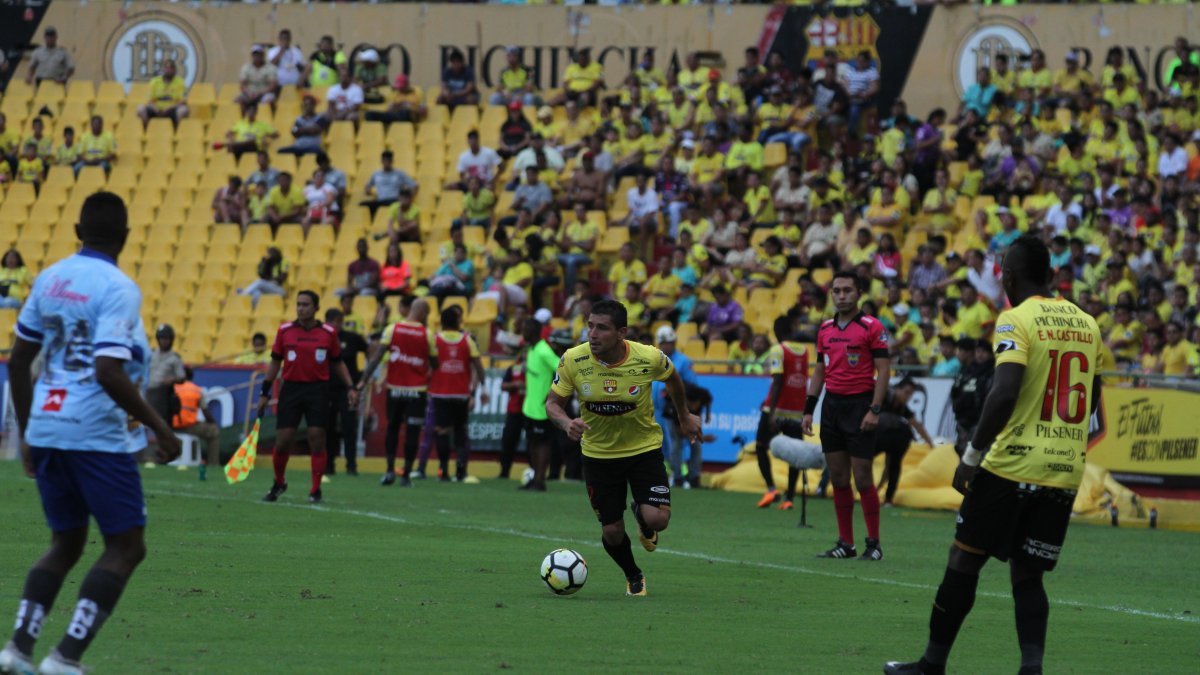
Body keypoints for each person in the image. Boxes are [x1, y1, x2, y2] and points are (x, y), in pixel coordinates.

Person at [885, 235, 1102, 675]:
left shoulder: (1014, 319)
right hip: (1063, 469)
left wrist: (971, 456)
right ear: (1051, 275)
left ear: (1007, 276)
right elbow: (1094, 399)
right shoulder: (1087, 324)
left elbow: (1003, 394)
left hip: (1012, 465)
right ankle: (1031, 669)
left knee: (964, 557)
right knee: (1028, 573)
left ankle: (932, 664)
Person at [0, 192, 180, 675]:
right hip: (94, 434)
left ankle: (17, 649)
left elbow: (18, 359)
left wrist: (29, 432)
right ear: (125, 236)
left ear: (77, 231)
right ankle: (65, 657)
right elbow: (107, 371)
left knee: (67, 543)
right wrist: (162, 427)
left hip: (50, 425)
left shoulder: (49, 278)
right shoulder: (118, 287)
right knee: (127, 546)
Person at [545, 300, 702, 597]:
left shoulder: (649, 358)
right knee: (612, 531)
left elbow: (674, 380)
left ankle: (643, 518)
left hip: (643, 448)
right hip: (598, 455)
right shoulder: (573, 360)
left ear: (622, 333)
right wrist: (566, 423)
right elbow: (552, 404)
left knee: (658, 519)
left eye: (601, 328)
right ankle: (633, 574)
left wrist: (684, 415)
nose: (592, 334)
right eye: (590, 325)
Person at [802, 271, 891, 561]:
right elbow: (819, 371)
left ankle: (874, 543)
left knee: (863, 477)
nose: (841, 295)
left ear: (859, 293)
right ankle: (846, 543)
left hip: (860, 405)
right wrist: (808, 409)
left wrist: (874, 409)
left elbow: (884, 371)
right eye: (836, 291)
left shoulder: (871, 327)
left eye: (847, 290)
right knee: (839, 478)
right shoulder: (825, 329)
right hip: (832, 408)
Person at [257, 291, 358, 504]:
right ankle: (279, 482)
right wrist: (264, 393)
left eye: (305, 305)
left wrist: (351, 386)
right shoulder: (285, 331)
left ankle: (315, 489)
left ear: (316, 308)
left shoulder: (328, 333)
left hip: (318, 390)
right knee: (283, 441)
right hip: (291, 389)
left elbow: (338, 362)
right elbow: (275, 362)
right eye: (298, 304)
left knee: (316, 439)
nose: (300, 308)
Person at [360, 297, 432, 486]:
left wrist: (363, 380)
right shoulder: (427, 334)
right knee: (413, 431)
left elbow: (376, 357)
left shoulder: (393, 329)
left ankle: (390, 470)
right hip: (417, 391)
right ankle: (406, 475)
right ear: (423, 313)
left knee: (392, 427)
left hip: (395, 388)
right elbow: (436, 362)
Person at [755, 316, 810, 509]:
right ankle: (789, 498)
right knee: (794, 454)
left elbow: (778, 380)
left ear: (777, 331)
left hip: (776, 410)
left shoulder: (778, 350)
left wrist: (772, 414)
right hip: (796, 411)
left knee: (761, 447)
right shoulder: (805, 351)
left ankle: (771, 489)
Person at [428, 306, 488, 482]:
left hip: (440, 393)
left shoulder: (435, 339)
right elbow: (478, 366)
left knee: (442, 431)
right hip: (461, 394)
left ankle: (443, 471)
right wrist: (483, 388)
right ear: (456, 322)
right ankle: (461, 472)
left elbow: (429, 364)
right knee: (461, 432)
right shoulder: (467, 340)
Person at [521, 322, 574, 492]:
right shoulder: (532, 349)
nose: (523, 331)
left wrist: (552, 393)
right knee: (533, 442)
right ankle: (535, 478)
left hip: (543, 409)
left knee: (543, 443)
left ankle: (539, 480)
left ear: (534, 331)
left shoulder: (544, 350)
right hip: (530, 407)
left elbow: (562, 367)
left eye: (526, 328)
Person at [873, 377, 934, 506]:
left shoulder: (902, 408)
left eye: (911, 394)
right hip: (877, 436)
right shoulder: (882, 398)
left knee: (894, 466)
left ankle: (887, 497)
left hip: (893, 439)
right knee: (862, 459)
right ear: (898, 389)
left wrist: (930, 443)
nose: (909, 397)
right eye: (907, 392)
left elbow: (917, 425)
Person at [323, 308, 367, 478]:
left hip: (348, 390)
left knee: (349, 427)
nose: (336, 325)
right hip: (327, 389)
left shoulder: (352, 338)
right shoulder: (322, 338)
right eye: (334, 321)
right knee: (328, 428)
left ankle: (351, 465)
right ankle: (328, 465)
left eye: (338, 321)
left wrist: (364, 377)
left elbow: (369, 350)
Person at [172, 368, 222, 482]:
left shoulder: (172, 388)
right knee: (213, 432)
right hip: (189, 427)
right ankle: (213, 464)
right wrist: (213, 423)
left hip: (171, 426)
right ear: (191, 377)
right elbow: (206, 413)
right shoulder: (196, 391)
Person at [951, 339, 994, 456]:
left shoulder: (993, 372)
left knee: (979, 456)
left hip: (980, 422)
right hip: (964, 421)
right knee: (962, 453)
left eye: (984, 352)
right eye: (978, 351)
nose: (980, 355)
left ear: (990, 354)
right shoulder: (966, 371)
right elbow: (955, 393)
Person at [147, 324, 186, 427]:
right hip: (148, 393)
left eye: (167, 339)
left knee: (163, 426)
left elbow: (181, 377)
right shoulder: (151, 354)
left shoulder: (175, 358)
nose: (164, 341)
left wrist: (173, 379)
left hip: (163, 396)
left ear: (171, 340)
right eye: (162, 338)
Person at [136, 59, 189, 128]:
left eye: (171, 68)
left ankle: (177, 133)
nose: (169, 70)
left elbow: (182, 101)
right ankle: (147, 130)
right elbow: (149, 100)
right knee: (140, 109)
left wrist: (168, 109)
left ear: (175, 70)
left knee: (183, 110)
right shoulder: (154, 82)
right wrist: (156, 109)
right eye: (167, 68)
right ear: (163, 69)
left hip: (171, 109)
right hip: (157, 109)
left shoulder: (180, 82)